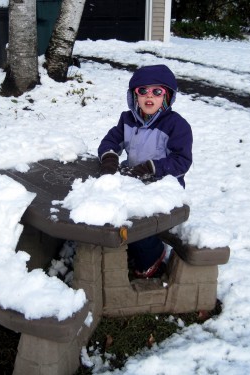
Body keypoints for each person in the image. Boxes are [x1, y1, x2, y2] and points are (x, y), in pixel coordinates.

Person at [98, 64, 193, 278]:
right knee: (110, 208)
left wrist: (152, 168)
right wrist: (110, 157)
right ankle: (120, 248)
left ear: (167, 96)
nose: (149, 96)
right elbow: (110, 141)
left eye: (157, 92)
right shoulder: (127, 120)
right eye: (143, 91)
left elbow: (182, 160)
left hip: (164, 188)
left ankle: (152, 256)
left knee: (138, 221)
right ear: (134, 96)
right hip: (134, 180)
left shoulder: (177, 126)